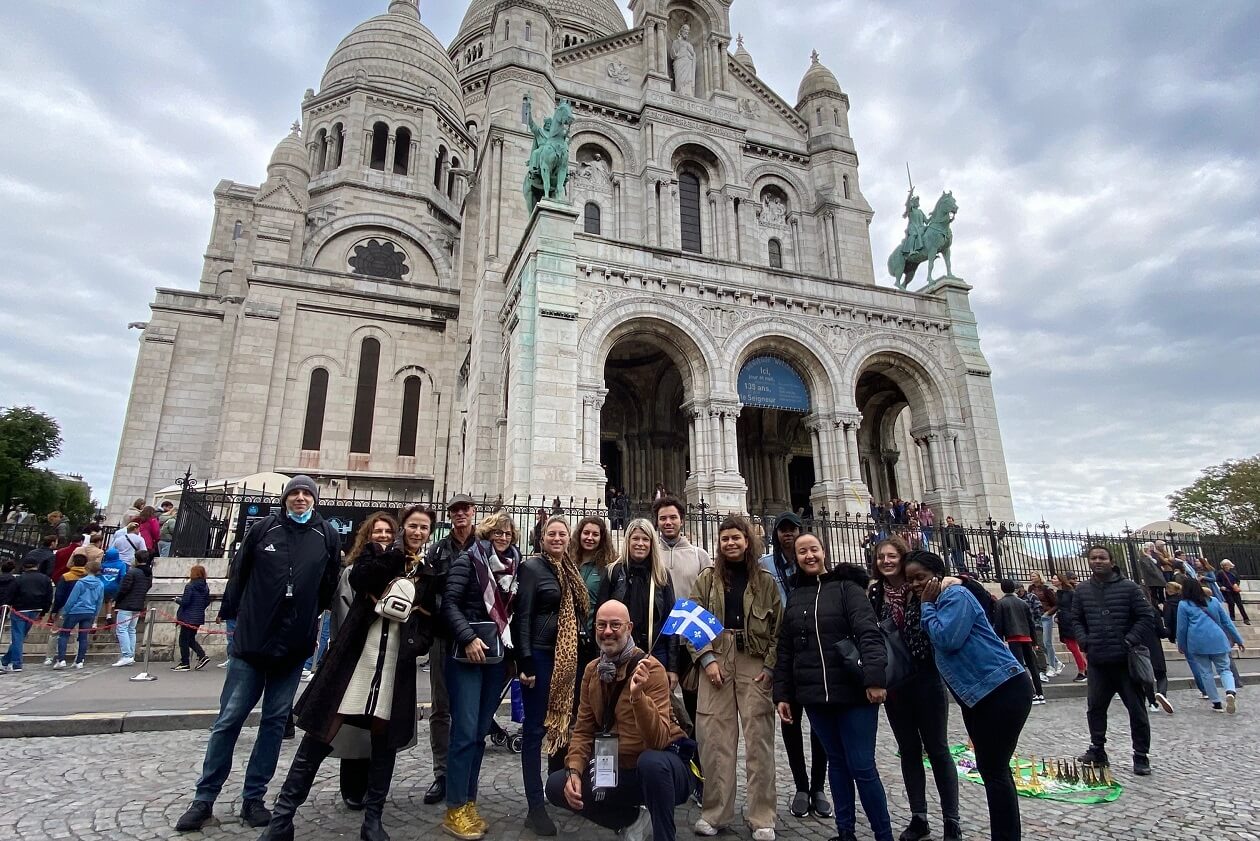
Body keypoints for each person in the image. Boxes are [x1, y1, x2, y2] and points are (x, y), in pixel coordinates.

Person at [174, 475, 342, 833]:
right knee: (230, 719)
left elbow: (329, 584)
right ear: (285, 499)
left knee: (274, 722)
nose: (300, 499)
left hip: (294, 646)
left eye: (306, 494)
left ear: (315, 500)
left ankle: (254, 797)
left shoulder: (325, 534)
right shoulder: (264, 529)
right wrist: (235, 622)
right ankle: (203, 799)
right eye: (294, 493)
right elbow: (239, 574)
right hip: (252, 641)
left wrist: (309, 621)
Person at [260, 510, 436, 841]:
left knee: (383, 744)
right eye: (412, 526)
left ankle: (373, 820)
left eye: (424, 527)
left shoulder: (428, 572)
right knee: (321, 733)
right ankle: (282, 819)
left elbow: (429, 620)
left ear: (429, 532)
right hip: (357, 659)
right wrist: (396, 554)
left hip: (394, 665)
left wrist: (417, 643)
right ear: (403, 529)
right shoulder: (378, 556)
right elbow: (360, 579)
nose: (418, 531)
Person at [906, 550, 1032, 841]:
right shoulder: (941, 600)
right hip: (979, 695)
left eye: (920, 577)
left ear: (937, 576)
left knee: (995, 770)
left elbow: (947, 639)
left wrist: (925, 605)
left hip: (1002, 688)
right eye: (910, 579)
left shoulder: (954, 598)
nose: (915, 583)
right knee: (992, 770)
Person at [776, 533, 893, 841]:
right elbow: (787, 650)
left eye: (813, 549)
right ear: (795, 558)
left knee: (862, 767)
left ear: (824, 552)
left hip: (854, 693)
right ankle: (845, 833)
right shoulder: (796, 595)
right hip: (816, 696)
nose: (808, 556)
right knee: (837, 766)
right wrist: (784, 694)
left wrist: (875, 677)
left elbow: (868, 633)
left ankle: (884, 835)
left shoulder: (848, 588)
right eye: (802, 552)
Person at [545, 600, 691, 841]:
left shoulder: (651, 669)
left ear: (629, 628)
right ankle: (632, 821)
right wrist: (574, 771)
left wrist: (637, 696)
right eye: (601, 625)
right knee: (556, 785)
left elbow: (658, 739)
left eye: (616, 625)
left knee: (651, 762)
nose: (608, 631)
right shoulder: (593, 671)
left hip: (663, 769)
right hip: (615, 769)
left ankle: (664, 836)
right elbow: (582, 730)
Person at [688, 515, 780, 840]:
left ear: (747, 541)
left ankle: (762, 816)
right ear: (719, 543)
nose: (730, 543)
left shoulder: (766, 580)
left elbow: (776, 630)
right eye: (725, 538)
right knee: (714, 740)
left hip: (753, 659)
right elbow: (692, 621)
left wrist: (769, 669)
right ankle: (716, 813)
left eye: (736, 538)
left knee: (759, 741)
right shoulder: (707, 578)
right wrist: (707, 659)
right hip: (716, 658)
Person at [869, 537, 961, 841]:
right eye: (881, 556)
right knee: (908, 751)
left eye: (892, 555)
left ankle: (952, 821)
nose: (886, 561)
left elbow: (963, 591)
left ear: (902, 557)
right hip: (896, 682)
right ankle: (918, 817)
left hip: (926, 676)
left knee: (938, 749)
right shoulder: (875, 592)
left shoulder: (922, 587)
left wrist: (950, 579)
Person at [441, 510, 521, 840]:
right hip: (468, 656)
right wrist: (468, 637)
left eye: (508, 534)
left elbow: (513, 615)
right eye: (497, 533)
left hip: (497, 658)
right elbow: (450, 604)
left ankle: (468, 802)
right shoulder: (468, 561)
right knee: (464, 731)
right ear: (486, 535)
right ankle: (454, 808)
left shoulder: (514, 567)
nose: (502, 538)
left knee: (477, 735)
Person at [515, 515, 589, 837]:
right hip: (542, 657)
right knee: (533, 732)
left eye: (562, 534)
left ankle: (555, 790)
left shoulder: (570, 569)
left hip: (566, 660)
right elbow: (523, 617)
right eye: (552, 534)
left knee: (562, 726)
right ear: (541, 539)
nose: (558, 539)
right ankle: (535, 807)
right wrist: (526, 662)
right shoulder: (532, 569)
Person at [758, 512, 830, 820]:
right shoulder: (766, 566)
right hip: (784, 654)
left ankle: (818, 787)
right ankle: (802, 787)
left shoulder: (819, 575)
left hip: (816, 656)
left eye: (793, 530)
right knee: (789, 722)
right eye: (783, 531)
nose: (788, 535)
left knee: (820, 726)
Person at [1071, 545, 1159, 776]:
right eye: (1093, 558)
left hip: (1125, 661)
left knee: (1137, 710)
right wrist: (1084, 641)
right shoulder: (1082, 590)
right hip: (1098, 659)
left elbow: (1146, 615)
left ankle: (1141, 755)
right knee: (1095, 709)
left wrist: (1130, 640)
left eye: (1102, 558)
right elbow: (1075, 619)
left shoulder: (1129, 588)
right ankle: (1097, 749)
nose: (1097, 561)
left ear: (1111, 561)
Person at [421, 493, 478, 806]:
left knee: (467, 710)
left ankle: (464, 771)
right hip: (445, 636)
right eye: (454, 510)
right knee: (441, 707)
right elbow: (428, 593)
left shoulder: (483, 545)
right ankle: (441, 773)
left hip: (474, 638)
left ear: (473, 512)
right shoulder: (438, 549)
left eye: (464, 509)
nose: (460, 515)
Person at [653, 493, 711, 772]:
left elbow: (711, 602)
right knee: (658, 710)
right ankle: (668, 772)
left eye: (672, 517)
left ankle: (699, 771)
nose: (668, 522)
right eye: (663, 518)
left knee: (697, 712)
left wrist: (707, 651)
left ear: (682, 520)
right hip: (660, 643)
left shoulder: (700, 556)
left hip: (691, 642)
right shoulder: (649, 553)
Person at [606, 519, 678, 669]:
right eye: (636, 538)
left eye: (645, 539)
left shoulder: (661, 575)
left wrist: (673, 667)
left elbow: (671, 620)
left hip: (655, 652)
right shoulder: (613, 572)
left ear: (652, 543)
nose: (640, 543)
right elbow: (601, 616)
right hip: (618, 650)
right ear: (628, 541)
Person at [1178, 578, 1245, 714]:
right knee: (1225, 669)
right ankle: (1230, 691)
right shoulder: (1213, 601)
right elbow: (1227, 622)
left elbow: (1182, 628)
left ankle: (1216, 702)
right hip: (1217, 638)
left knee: (1205, 672)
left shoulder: (1184, 605)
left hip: (1197, 641)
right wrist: (1238, 639)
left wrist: (1182, 645)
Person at [994, 579, 1046, 705]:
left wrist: (1000, 640)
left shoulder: (1001, 603)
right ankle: (1040, 693)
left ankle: (1030, 693)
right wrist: (1034, 641)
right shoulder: (1023, 603)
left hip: (1013, 638)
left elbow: (999, 624)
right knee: (1033, 666)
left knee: (1020, 667)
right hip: (1027, 637)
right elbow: (1031, 623)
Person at [1, 557, 53, 672]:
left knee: (17, 636)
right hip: (36, 609)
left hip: (20, 609)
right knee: (20, 636)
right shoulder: (45, 579)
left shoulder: (19, 579)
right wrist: (44, 611)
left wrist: (8, 606)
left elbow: (11, 594)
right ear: (37, 566)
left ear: (24, 567)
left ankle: (16, 663)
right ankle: (5, 660)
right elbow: (49, 597)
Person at [55, 558, 105, 670]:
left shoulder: (81, 582)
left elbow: (72, 599)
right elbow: (99, 601)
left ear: (87, 570)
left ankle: (61, 659)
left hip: (76, 611)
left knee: (64, 635)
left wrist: (65, 612)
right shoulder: (100, 585)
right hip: (90, 611)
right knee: (83, 637)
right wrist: (95, 616)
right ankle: (80, 660)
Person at [112, 550, 153, 667]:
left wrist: (116, 599)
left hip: (127, 603)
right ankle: (130, 655)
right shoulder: (149, 573)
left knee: (122, 629)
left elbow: (124, 588)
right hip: (138, 603)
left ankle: (126, 655)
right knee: (131, 629)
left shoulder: (132, 572)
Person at [172, 565, 212, 671]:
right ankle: (202, 656)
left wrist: (177, 600)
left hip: (187, 616)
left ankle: (185, 662)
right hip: (198, 616)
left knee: (183, 640)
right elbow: (207, 601)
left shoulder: (190, 586)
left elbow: (185, 602)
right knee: (190, 639)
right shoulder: (205, 586)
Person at [1053, 572, 1088, 682]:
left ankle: (1082, 670)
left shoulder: (1070, 592)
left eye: (1054, 578)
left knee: (1073, 647)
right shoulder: (1059, 593)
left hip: (1069, 622)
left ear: (1060, 580)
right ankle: (1085, 668)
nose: (1052, 580)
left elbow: (1076, 607)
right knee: (1071, 646)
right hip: (1063, 622)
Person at [1028, 573, 1063, 676]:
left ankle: (1052, 666)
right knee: (1042, 643)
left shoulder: (1046, 589)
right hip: (1036, 617)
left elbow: (1056, 604)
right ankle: (1057, 662)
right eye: (1031, 576)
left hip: (1046, 616)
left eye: (1034, 576)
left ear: (1039, 577)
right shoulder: (1031, 588)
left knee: (1047, 642)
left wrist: (1048, 613)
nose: (1032, 578)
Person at [1134, 543, 1167, 608]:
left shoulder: (1149, 558)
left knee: (1160, 592)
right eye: (1149, 551)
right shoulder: (1144, 559)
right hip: (1153, 579)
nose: (1150, 552)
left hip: (1156, 578)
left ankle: (1160, 604)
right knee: (1155, 594)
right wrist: (1157, 575)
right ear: (1145, 551)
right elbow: (1149, 569)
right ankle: (1158, 605)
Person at [1218, 560, 1250, 624]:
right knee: (1231, 603)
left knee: (1240, 604)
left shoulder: (1233, 572)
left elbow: (1238, 580)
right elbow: (1218, 580)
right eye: (1225, 565)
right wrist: (1221, 586)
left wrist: (1236, 584)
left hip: (1234, 590)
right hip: (1227, 590)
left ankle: (1246, 618)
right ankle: (1232, 617)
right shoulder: (1220, 573)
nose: (1226, 566)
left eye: (1227, 565)